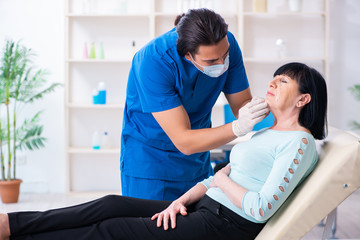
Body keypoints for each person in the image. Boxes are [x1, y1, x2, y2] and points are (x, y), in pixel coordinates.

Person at [0, 62, 327, 240]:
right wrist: (179, 201)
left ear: (303, 99)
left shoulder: (300, 143)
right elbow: (218, 180)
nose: (273, 82)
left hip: (226, 226)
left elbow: (260, 208)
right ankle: (11, 225)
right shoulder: (265, 133)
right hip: (204, 207)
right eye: (274, 77)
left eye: (284, 81)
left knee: (110, 231)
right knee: (110, 203)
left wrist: (220, 176)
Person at [121, 8, 269, 201]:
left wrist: (263, 107)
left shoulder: (227, 44)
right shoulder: (154, 61)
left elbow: (241, 104)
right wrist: (239, 127)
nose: (222, 63)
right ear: (188, 56)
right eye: (212, 61)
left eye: (225, 56)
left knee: (199, 227)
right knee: (155, 228)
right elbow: (184, 140)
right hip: (152, 164)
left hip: (197, 159)